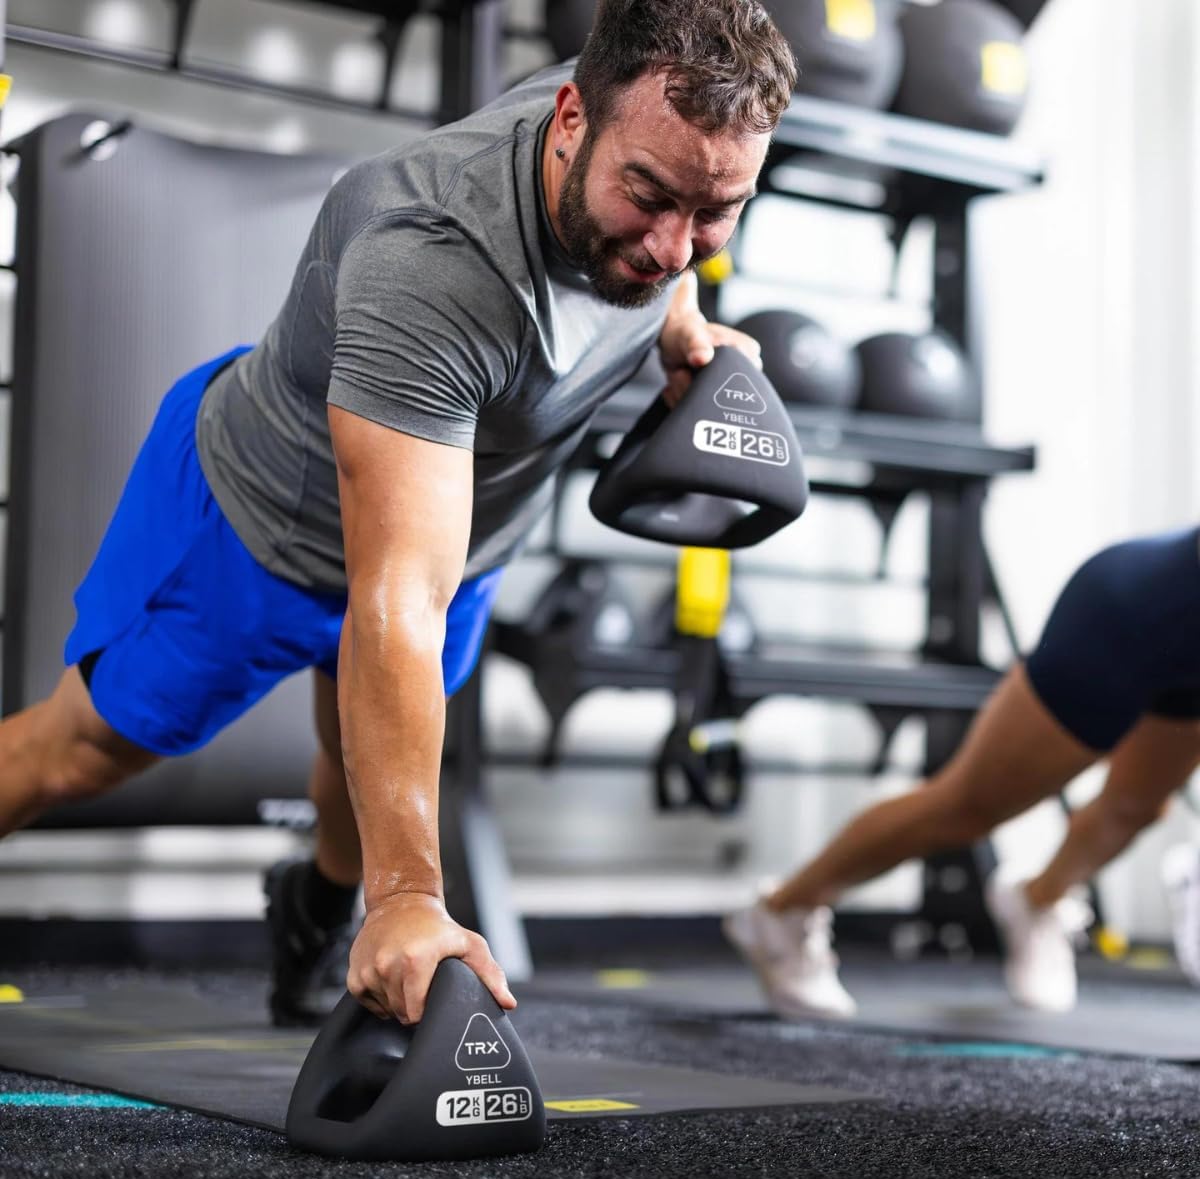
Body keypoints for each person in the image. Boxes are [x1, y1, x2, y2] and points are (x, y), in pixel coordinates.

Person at [0, 1, 796, 1026]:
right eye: (647, 197)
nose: (673, 247)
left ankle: (314, 904)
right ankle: (364, 905)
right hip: (264, 524)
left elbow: (673, 239)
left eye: (716, 210)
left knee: (364, 775)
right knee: (80, 752)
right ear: (570, 118)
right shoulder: (430, 254)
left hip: (459, 534)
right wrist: (411, 898)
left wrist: (683, 324)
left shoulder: (657, 118)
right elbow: (397, 600)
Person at [725, 528, 1200, 1016]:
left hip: (1190, 658)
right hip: (1129, 621)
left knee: (1134, 809)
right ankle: (781, 912)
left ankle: (1034, 902)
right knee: (967, 809)